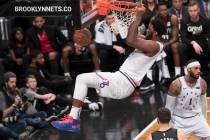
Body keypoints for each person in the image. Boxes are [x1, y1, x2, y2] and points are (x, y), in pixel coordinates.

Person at [51, 5, 166, 132]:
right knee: (83, 80)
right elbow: (125, 39)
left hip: (123, 82)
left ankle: (73, 120)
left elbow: (130, 40)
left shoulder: (154, 45)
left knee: (81, 79)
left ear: (155, 32)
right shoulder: (149, 42)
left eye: (150, 28)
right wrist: (108, 19)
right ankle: (77, 114)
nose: (147, 29)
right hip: (121, 80)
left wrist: (138, 16)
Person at [165, 59, 210, 139]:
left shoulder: (202, 83)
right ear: (188, 69)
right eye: (196, 68)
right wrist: (169, 126)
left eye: (199, 68)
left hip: (197, 119)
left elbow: (204, 104)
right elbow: (169, 107)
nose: (199, 71)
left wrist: (204, 120)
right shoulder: (176, 84)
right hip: (179, 122)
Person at [180, 1, 210, 73]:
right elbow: (183, 37)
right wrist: (193, 43)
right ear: (188, 11)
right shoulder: (184, 21)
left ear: (198, 10)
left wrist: (198, 44)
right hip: (190, 44)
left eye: (195, 10)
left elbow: (208, 36)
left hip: (202, 44)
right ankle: (185, 69)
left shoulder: (205, 20)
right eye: (190, 11)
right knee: (182, 46)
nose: (193, 13)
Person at [153, 2, 181, 77]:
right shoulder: (154, 19)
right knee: (158, 48)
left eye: (165, 9)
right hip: (161, 41)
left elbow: (175, 37)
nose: (164, 12)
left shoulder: (173, 18)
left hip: (171, 41)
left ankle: (178, 73)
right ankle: (166, 75)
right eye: (161, 10)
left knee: (174, 46)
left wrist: (166, 44)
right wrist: (161, 45)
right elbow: (153, 36)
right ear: (157, 11)